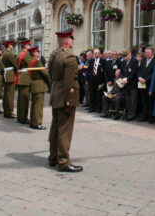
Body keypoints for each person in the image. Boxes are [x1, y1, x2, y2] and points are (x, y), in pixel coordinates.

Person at [48, 28, 82, 172]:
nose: (73, 42)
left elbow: (51, 72)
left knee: (56, 127)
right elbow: (69, 81)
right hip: (65, 96)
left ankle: (53, 157)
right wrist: (69, 101)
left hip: (56, 93)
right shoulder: (69, 57)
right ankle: (63, 161)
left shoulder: (54, 54)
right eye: (71, 40)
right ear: (66, 41)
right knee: (65, 130)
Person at [28, 46, 49, 130]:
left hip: (33, 83)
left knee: (34, 104)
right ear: (34, 53)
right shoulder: (37, 62)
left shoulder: (31, 61)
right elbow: (44, 73)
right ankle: (37, 123)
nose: (38, 53)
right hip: (39, 84)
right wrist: (48, 80)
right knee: (38, 105)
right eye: (37, 52)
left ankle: (33, 122)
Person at [137, 47, 155, 122]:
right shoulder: (143, 60)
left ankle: (150, 117)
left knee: (150, 101)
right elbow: (138, 70)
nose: (147, 54)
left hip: (150, 84)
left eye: (148, 52)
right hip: (141, 83)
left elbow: (153, 73)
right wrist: (139, 78)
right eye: (145, 52)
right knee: (143, 101)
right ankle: (144, 116)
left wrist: (146, 80)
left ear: (152, 53)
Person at [16, 39, 32, 124]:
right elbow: (31, 65)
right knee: (25, 100)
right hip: (25, 78)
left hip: (21, 77)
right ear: (25, 46)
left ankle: (20, 117)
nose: (30, 46)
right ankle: (23, 118)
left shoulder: (19, 54)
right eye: (29, 45)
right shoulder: (26, 55)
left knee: (20, 100)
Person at [120, 51, 138, 121]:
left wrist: (127, 78)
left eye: (126, 56)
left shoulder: (134, 61)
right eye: (124, 57)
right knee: (127, 100)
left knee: (133, 100)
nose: (124, 58)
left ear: (129, 55)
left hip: (132, 84)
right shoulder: (123, 62)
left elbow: (134, 72)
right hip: (125, 84)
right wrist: (123, 78)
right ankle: (128, 113)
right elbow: (121, 71)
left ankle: (132, 114)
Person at [1, 40, 17, 119]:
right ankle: (9, 112)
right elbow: (15, 64)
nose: (12, 46)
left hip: (6, 74)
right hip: (10, 74)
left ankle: (6, 110)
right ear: (9, 45)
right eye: (12, 45)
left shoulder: (4, 53)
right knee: (10, 95)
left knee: (6, 94)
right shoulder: (9, 54)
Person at [87, 48, 106, 113]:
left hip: (99, 80)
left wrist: (104, 81)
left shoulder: (103, 61)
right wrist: (87, 80)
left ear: (100, 54)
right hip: (92, 80)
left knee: (99, 95)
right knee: (92, 94)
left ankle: (98, 108)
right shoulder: (91, 61)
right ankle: (92, 107)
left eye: (97, 53)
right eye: (95, 53)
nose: (96, 54)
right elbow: (88, 71)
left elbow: (105, 72)